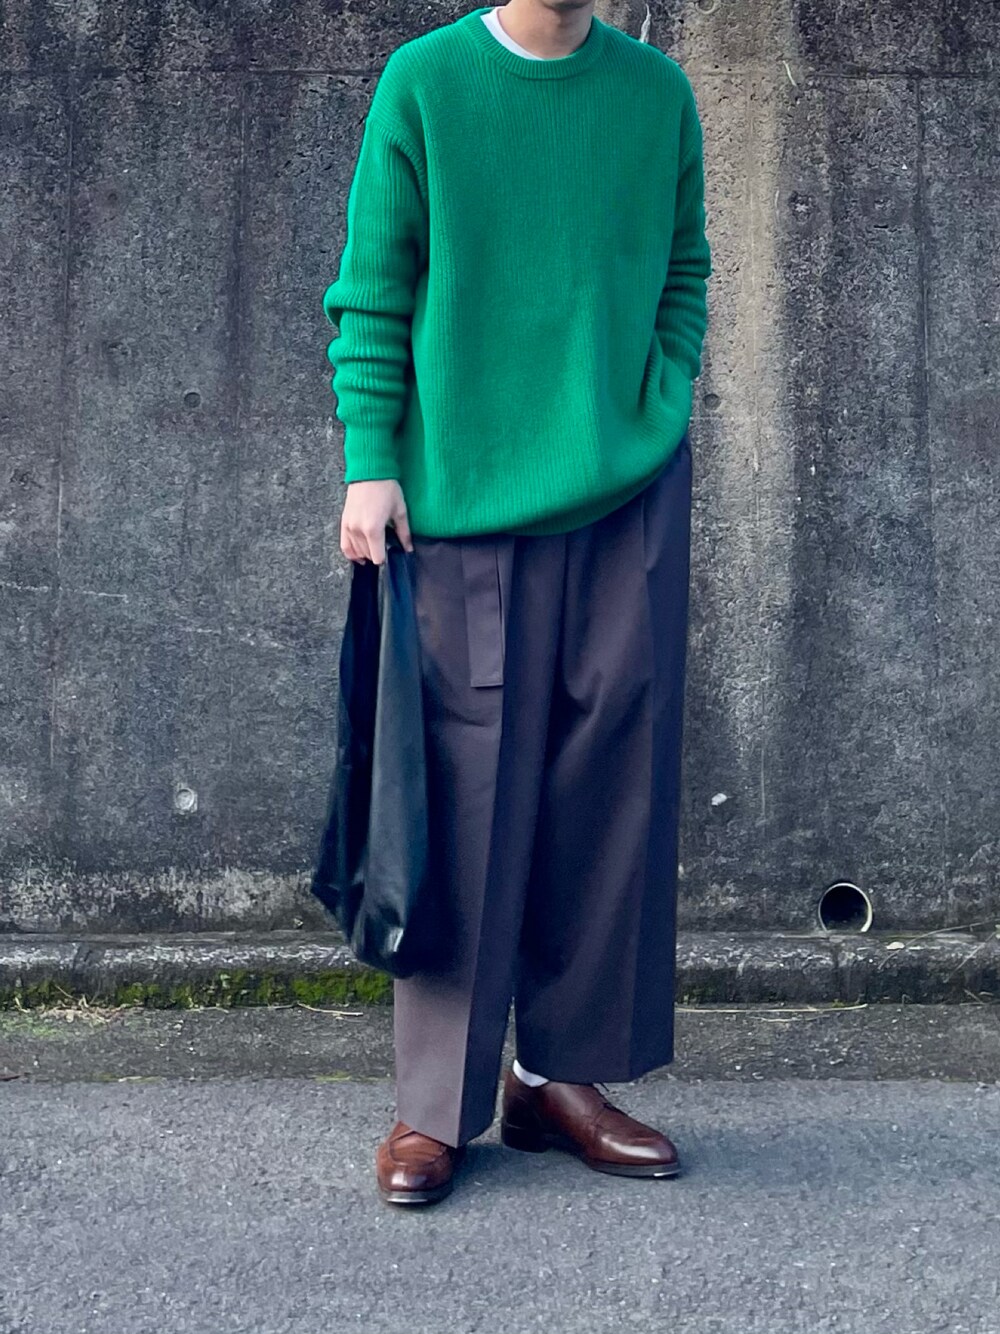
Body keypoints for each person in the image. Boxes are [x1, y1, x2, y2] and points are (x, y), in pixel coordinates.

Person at [321, 0, 712, 1205]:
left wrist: (661, 397)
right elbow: (374, 284)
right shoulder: (426, 81)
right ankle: (432, 1106)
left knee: (612, 780)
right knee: (461, 785)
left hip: (625, 492)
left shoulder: (655, 94)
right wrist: (370, 457)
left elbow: (684, 269)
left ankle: (557, 1078)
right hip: (459, 493)